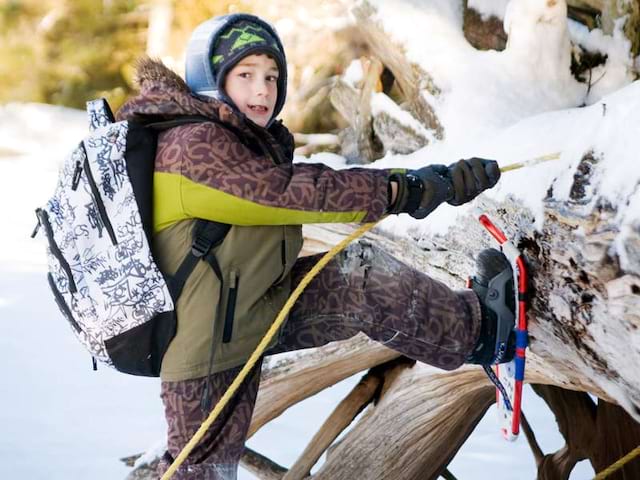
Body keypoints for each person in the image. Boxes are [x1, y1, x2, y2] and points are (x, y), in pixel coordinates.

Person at [116, 13, 515, 480]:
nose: (263, 90)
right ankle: (477, 333)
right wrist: (408, 189)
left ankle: (478, 331)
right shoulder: (193, 144)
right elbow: (292, 192)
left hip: (246, 313)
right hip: (202, 345)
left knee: (354, 277)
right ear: (211, 81)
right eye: (245, 76)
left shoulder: (229, 137)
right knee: (197, 472)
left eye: (271, 76)